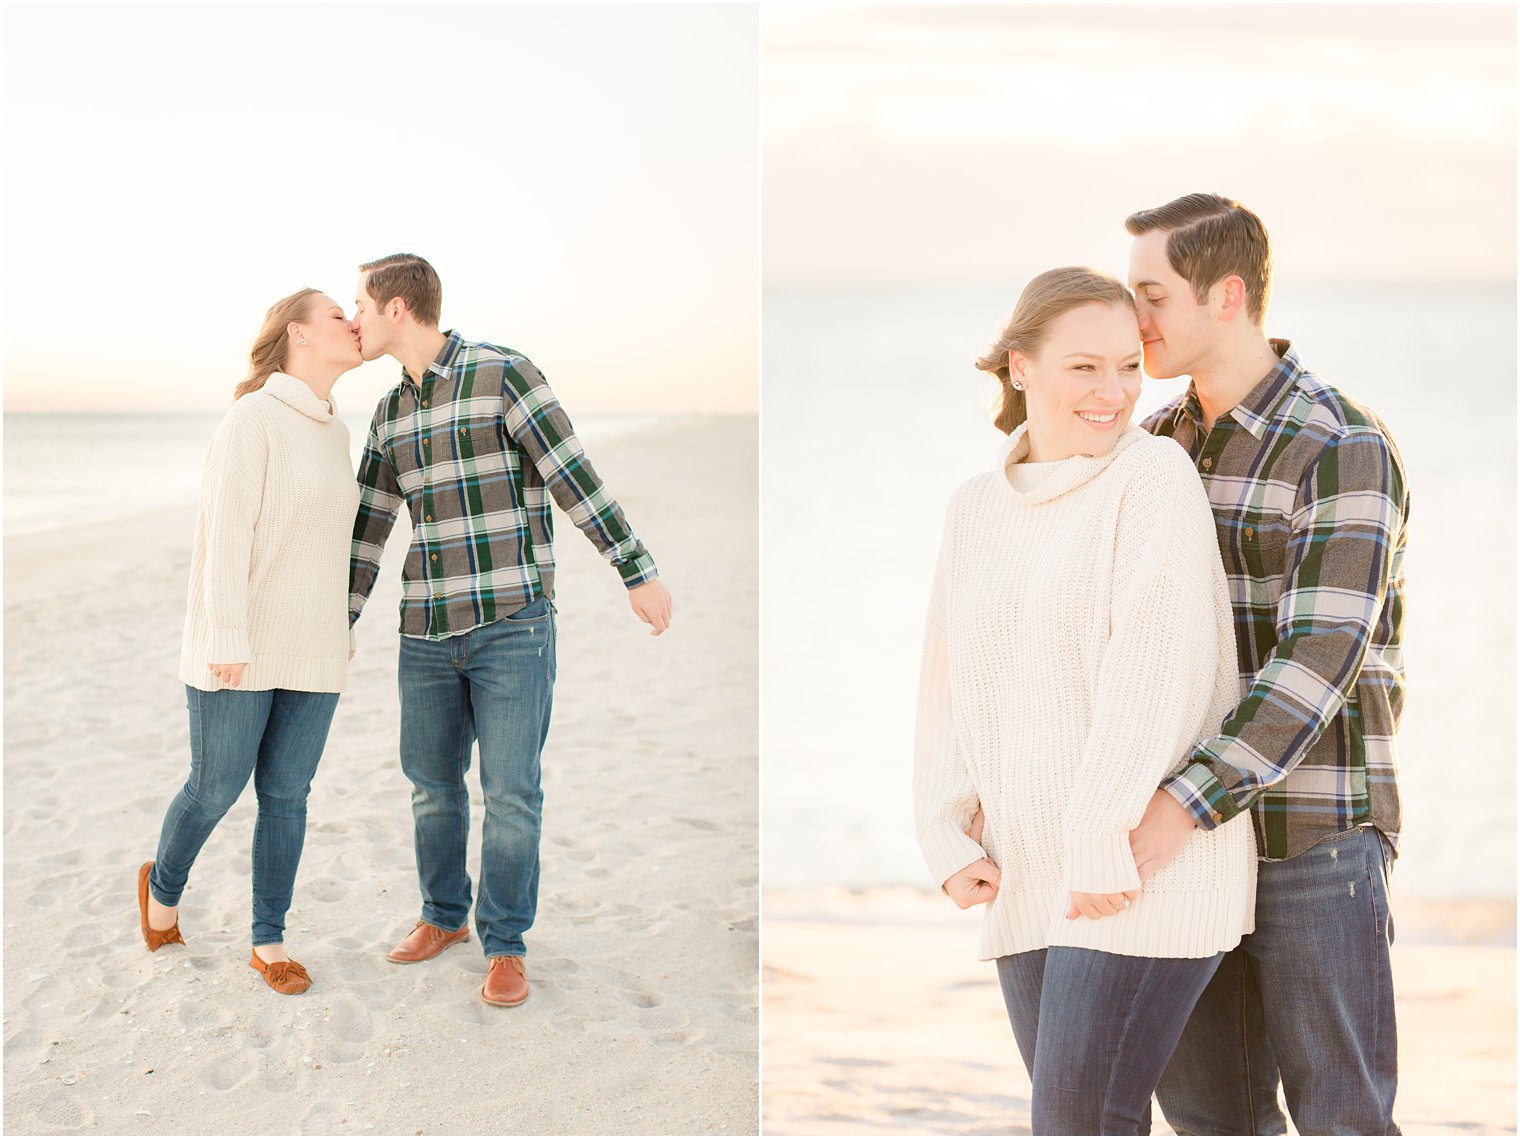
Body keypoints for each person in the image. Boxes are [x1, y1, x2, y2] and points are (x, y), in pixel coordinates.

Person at [913, 266, 1256, 1135]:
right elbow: (950, 680)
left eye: (1129, 366)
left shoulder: (1152, 476)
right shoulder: (975, 508)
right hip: (1029, 870)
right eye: (1084, 368)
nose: (1115, 393)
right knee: (1129, 1119)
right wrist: (942, 827)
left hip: (1138, 868)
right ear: (1019, 366)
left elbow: (1158, 670)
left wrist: (1102, 833)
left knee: (1077, 1122)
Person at [1123, 193, 1410, 1135]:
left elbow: (1317, 661)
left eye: (1152, 295)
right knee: (1212, 1122)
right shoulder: (1151, 445)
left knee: (1344, 1121)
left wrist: (1182, 802)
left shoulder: (1340, 443)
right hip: (1182, 849)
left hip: (1310, 835)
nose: (1136, 319)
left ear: (1229, 296)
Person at [347, 254, 673, 1009]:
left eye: (358, 303)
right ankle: (442, 916)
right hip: (424, 630)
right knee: (431, 788)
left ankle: (505, 943)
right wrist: (340, 618)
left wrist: (636, 569)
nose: (353, 319)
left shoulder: (504, 374)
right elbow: (367, 525)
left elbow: (572, 475)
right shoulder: (389, 412)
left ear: (398, 306)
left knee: (511, 791)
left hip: (512, 624)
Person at [138, 289, 363, 996]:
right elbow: (225, 536)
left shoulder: (336, 430)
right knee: (215, 787)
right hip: (238, 642)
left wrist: (339, 630)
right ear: (297, 333)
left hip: (315, 646)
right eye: (338, 315)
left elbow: (331, 545)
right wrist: (227, 635)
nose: (354, 324)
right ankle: (162, 888)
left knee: (288, 794)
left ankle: (270, 941)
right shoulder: (252, 418)